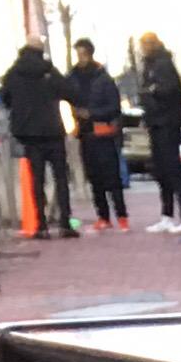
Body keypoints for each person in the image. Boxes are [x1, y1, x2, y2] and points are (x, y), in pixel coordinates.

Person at [0, 39, 76, 237]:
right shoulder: (49, 71)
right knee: (60, 177)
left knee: (37, 180)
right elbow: (68, 92)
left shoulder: (14, 73)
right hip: (53, 130)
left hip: (29, 134)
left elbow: (5, 98)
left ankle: (41, 225)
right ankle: (65, 222)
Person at [62, 39, 129, 227]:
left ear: (90, 54)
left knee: (112, 178)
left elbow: (114, 107)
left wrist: (91, 114)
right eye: (78, 54)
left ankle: (122, 216)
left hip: (104, 134)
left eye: (83, 54)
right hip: (85, 134)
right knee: (94, 178)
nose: (80, 58)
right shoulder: (72, 78)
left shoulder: (104, 79)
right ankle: (103, 217)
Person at [132, 33, 181, 232]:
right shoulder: (149, 66)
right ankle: (167, 215)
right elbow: (147, 92)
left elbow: (166, 91)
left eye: (147, 44)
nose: (144, 48)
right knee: (161, 171)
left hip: (167, 123)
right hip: (156, 123)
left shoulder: (163, 64)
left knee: (173, 169)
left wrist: (151, 92)